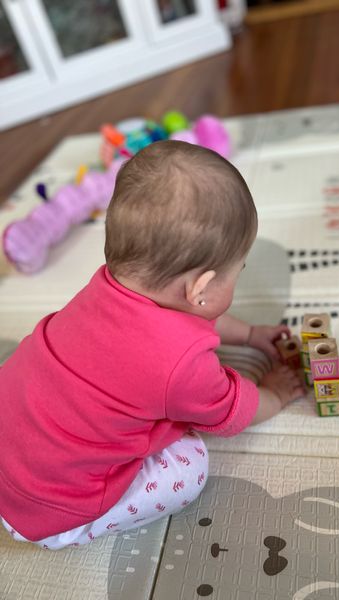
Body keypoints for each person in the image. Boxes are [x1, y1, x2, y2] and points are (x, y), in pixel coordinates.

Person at [0, 141, 304, 550]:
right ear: (201, 288)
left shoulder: (107, 284)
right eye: (238, 272)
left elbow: (197, 315)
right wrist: (276, 394)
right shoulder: (184, 369)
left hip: (13, 449)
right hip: (50, 512)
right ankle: (76, 529)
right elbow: (235, 411)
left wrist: (248, 336)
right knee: (191, 463)